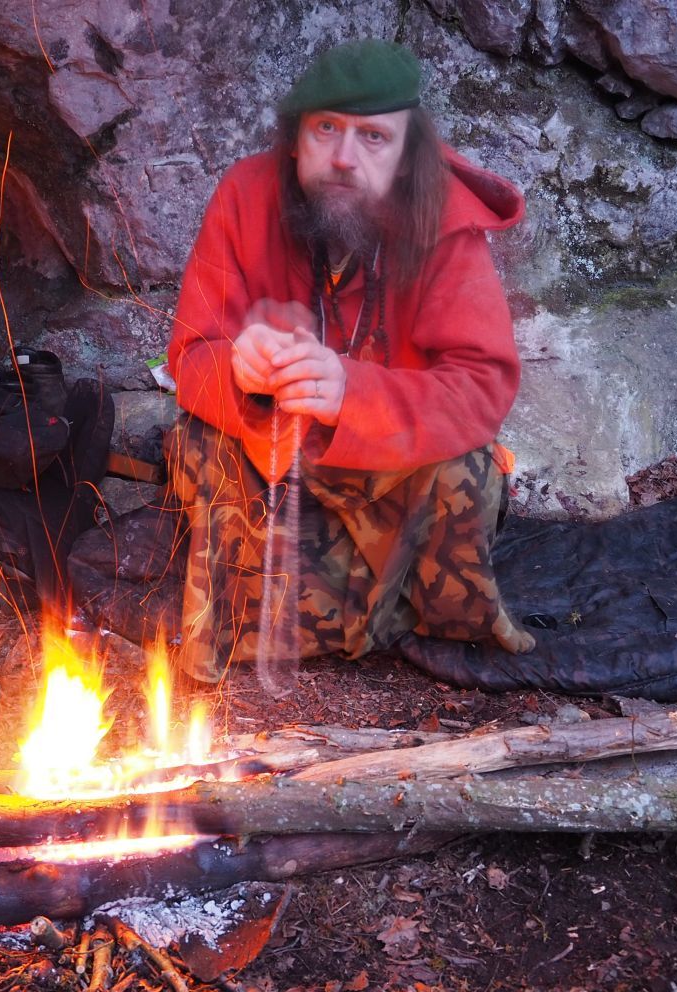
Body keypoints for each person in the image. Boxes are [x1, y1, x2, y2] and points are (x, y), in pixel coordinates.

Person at [165, 38, 534, 684]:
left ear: (407, 153)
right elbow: (191, 357)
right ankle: (269, 622)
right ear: (294, 139)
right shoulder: (245, 197)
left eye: (372, 138)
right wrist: (236, 373)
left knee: (467, 471)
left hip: (396, 471)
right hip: (276, 461)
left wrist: (350, 397)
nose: (341, 158)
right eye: (326, 129)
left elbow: (482, 387)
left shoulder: (443, 220)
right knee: (196, 440)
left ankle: (414, 616)